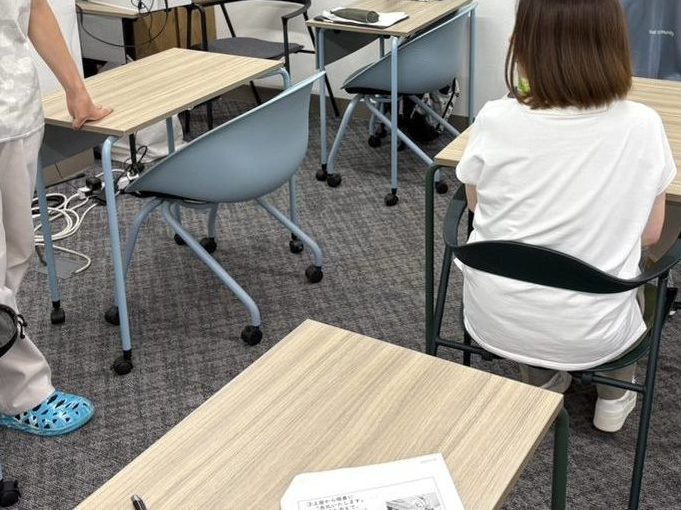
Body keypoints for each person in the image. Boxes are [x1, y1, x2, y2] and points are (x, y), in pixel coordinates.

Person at [456, 0, 676, 433]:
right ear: (615, 44)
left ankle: (542, 381)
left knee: (529, 259)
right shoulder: (643, 125)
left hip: (496, 319)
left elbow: (478, 206)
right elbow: (652, 234)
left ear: (522, 44)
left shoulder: (494, 117)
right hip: (594, 332)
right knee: (634, 266)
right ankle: (614, 395)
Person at [0, 0, 111, 436]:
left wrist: (75, 88)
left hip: (16, 111)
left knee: (15, 256)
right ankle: (24, 393)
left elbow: (34, 7)